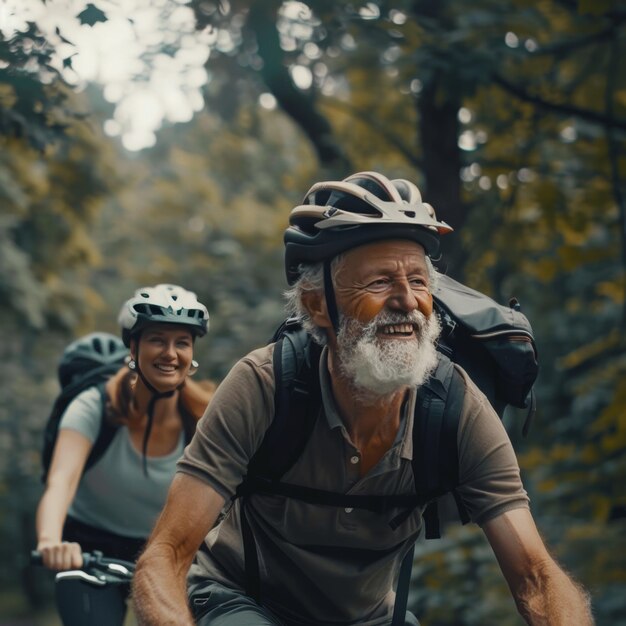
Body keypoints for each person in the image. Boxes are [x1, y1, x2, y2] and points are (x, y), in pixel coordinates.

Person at [132, 173, 593, 626]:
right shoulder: (264, 385)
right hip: (242, 600)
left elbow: (535, 576)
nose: (407, 301)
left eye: (418, 281)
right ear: (317, 305)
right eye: (379, 282)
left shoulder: (455, 405)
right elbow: (167, 556)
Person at [36, 283, 214, 625]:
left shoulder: (205, 419)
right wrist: (50, 542)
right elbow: (61, 481)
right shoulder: (93, 406)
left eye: (182, 342)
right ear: (133, 346)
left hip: (168, 551)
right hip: (88, 548)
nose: (170, 353)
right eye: (157, 339)